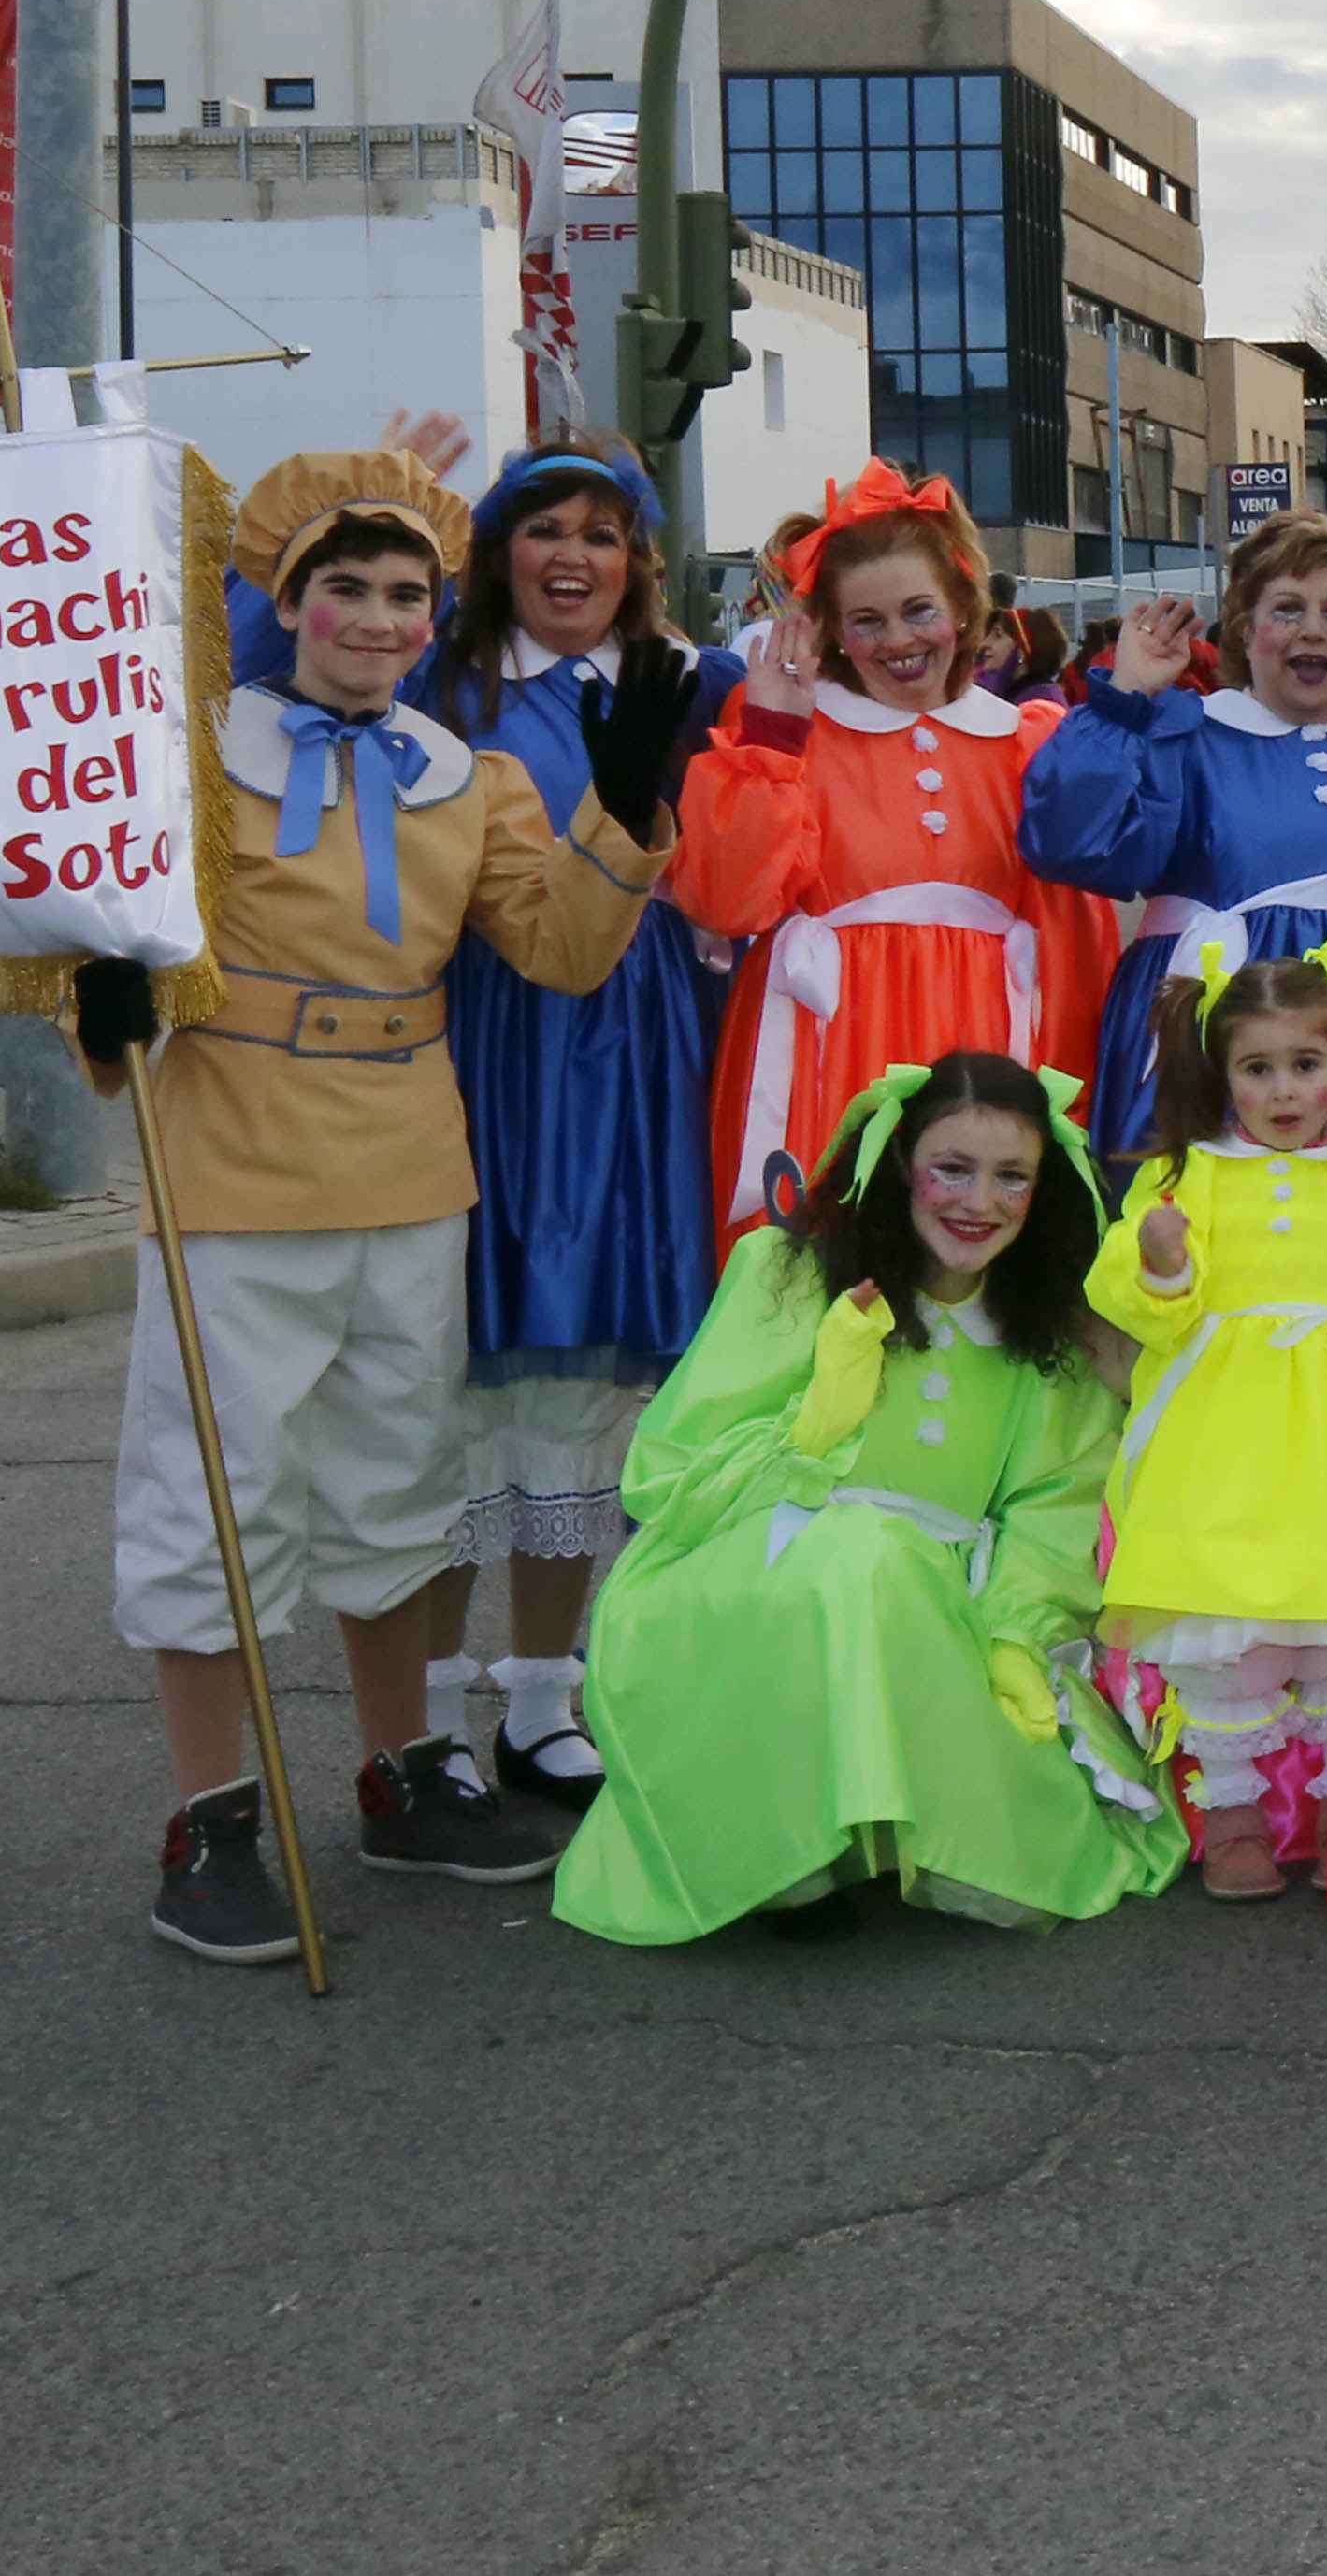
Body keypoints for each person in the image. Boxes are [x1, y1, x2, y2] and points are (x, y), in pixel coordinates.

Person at [87, 449, 695, 1965]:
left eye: (404, 591)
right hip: (233, 1166)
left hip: (413, 1171)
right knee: (217, 1497)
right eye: (342, 586)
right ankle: (212, 1813)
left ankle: (402, 1769)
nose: (373, 614)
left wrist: (625, 809)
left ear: (437, 612)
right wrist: (95, 984)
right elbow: (103, 944)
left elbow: (557, 947)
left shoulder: (464, 774)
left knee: (396, 1487)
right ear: (285, 601)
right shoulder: (185, 759)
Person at [551, 1052, 1185, 1942]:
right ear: (898, 1165)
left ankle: (884, 1830)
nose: (979, 1201)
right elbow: (670, 1482)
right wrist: (813, 1428)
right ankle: (788, 1849)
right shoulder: (791, 1273)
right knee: (858, 1556)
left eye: (1012, 1177)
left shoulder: (1043, 1322)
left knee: (884, 1572)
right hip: (752, 1563)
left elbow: (1057, 1499)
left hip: (945, 1597)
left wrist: (1014, 1631)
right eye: (952, 1169)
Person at [396, 439, 742, 1810]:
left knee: (581, 1392)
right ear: (496, 553)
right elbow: (258, 669)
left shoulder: (696, 684)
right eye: (546, 528)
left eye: (604, 533)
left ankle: (543, 1698)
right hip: (490, 1037)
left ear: (637, 560)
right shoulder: (441, 684)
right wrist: (392, 498)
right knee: (453, 1383)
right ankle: (418, 1718)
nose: (575, 556)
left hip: (646, 1038)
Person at [1088, 929, 1327, 1900]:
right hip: (1220, 1434)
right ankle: (1234, 1809)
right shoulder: (1188, 1175)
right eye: (1259, 1068)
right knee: (1229, 1621)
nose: (1284, 1088)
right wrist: (1165, 1260)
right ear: (1227, 1075)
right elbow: (1129, 1297)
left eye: (1304, 1064)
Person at [674, 461, 1117, 1257]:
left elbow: (1072, 938)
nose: (899, 640)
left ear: (962, 607)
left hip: (985, 1044)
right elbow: (723, 902)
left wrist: (1067, 1093)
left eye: (919, 610)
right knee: (835, 1266)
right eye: (866, 620)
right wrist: (772, 738)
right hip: (832, 1041)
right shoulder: (787, 728)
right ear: (832, 632)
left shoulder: (1028, 740)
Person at [1024, 507, 1327, 1170]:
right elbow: (1065, 840)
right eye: (1287, 608)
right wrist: (1124, 701)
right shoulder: (1184, 736)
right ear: (1244, 628)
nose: (1313, 628)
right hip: (1212, 1046)